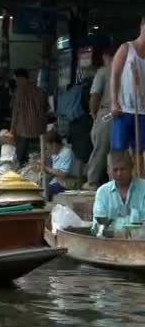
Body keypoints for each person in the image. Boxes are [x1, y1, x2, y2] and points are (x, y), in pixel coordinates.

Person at [111, 17, 145, 161]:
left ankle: (139, 181)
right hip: (123, 109)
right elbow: (115, 75)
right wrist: (114, 101)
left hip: (143, 110)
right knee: (119, 150)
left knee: (140, 151)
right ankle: (116, 182)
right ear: (142, 26)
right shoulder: (126, 48)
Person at [83, 48, 115, 190]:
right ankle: (115, 182)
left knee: (100, 148)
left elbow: (95, 95)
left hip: (107, 113)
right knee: (117, 150)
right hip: (126, 113)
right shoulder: (130, 69)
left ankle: (92, 182)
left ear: (106, 56)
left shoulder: (104, 71)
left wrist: (94, 114)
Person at [93, 150, 145, 228]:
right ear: (108, 170)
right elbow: (98, 224)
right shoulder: (102, 192)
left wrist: (113, 223)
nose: (119, 173)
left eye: (123, 169)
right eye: (115, 170)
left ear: (131, 167)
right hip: (110, 239)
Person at [11, 68, 48, 165]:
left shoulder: (18, 92)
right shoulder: (41, 92)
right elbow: (47, 110)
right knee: (37, 159)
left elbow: (15, 113)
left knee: (20, 160)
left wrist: (12, 130)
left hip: (23, 132)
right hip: (39, 132)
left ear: (22, 78)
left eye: (17, 80)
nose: (16, 83)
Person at [40, 130, 79, 198]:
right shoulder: (55, 153)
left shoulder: (67, 153)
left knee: (44, 192)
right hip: (57, 181)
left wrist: (46, 168)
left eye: (48, 147)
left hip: (67, 184)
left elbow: (63, 173)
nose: (48, 149)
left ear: (54, 145)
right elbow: (51, 170)